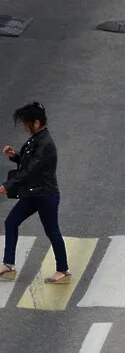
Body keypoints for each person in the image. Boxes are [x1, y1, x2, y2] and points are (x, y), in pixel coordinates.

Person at [0, 102, 71, 283]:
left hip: (45, 195)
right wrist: (14, 155)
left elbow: (31, 169)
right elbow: (28, 162)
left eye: (26, 123)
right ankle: (8, 266)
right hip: (34, 193)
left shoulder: (45, 143)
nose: (25, 126)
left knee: (52, 231)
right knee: (11, 222)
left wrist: (7, 185)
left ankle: (63, 270)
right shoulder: (37, 139)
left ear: (37, 122)